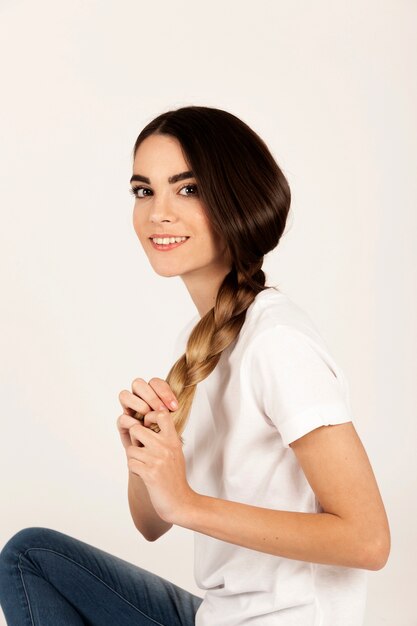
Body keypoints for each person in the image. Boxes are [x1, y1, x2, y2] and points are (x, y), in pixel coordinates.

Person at [0, 105, 390, 625]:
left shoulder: (277, 343)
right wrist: (148, 453)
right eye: (144, 191)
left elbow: (368, 540)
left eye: (187, 189)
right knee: (31, 558)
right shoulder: (200, 341)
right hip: (218, 616)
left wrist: (186, 502)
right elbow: (150, 523)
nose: (158, 212)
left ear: (237, 199)